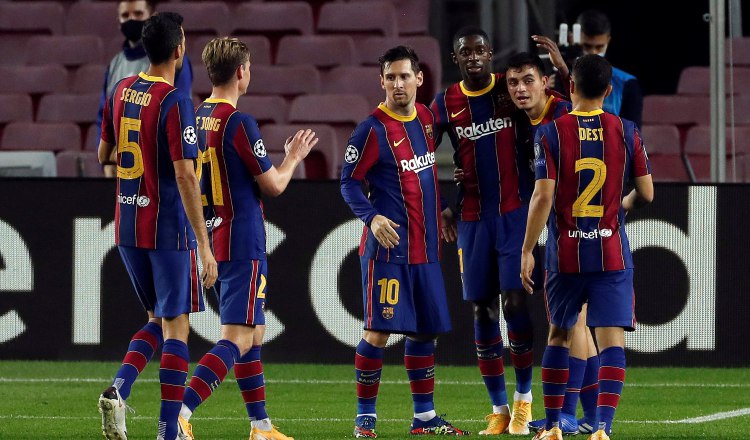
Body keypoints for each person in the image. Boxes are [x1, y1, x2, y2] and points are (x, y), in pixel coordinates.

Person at [174, 37, 318, 440]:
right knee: (237, 336)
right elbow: (272, 185)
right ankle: (180, 413)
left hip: (212, 238)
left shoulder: (195, 116)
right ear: (241, 72)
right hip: (242, 239)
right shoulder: (238, 122)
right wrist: (292, 157)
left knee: (253, 332)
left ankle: (261, 427)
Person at [96, 12, 217, 440]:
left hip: (127, 226)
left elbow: (103, 154)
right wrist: (204, 245)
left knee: (157, 318)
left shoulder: (121, 89)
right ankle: (168, 430)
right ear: (180, 51)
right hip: (167, 229)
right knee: (177, 328)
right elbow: (186, 175)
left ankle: (119, 388)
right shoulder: (176, 101)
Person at [521, 54, 653, 440]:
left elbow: (542, 198)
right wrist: (620, 207)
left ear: (571, 87)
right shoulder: (627, 130)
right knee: (611, 340)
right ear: (610, 91)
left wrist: (527, 249)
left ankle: (553, 426)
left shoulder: (549, 133)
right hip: (610, 252)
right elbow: (646, 192)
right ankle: (602, 428)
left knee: (560, 334)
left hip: (565, 255)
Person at [341, 45, 469, 438]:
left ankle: (425, 419)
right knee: (378, 332)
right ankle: (365, 419)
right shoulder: (371, 130)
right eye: (390, 77)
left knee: (425, 331)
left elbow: (425, 175)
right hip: (389, 252)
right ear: (381, 82)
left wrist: (444, 207)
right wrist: (372, 216)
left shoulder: (427, 119)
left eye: (404, 76)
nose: (398, 84)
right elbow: (348, 182)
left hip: (426, 249)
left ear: (419, 79)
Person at [430, 26, 538, 435]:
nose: (473, 57)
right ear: (455, 59)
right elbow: (420, 154)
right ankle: (498, 409)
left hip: (514, 215)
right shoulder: (446, 103)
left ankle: (524, 400)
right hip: (472, 219)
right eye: (465, 53)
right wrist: (442, 204)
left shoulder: (507, 91)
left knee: (514, 303)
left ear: (490, 54)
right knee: (483, 309)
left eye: (479, 51)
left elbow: (544, 109)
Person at [505, 51, 599, 436]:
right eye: (513, 83)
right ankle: (590, 417)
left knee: (569, 324)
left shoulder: (561, 117)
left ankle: (567, 416)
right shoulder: (532, 121)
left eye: (529, 80)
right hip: (582, 229)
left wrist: (528, 249)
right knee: (581, 327)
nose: (520, 89)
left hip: (577, 230)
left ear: (547, 82)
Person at [96, 0, 194, 169]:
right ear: (118, 20)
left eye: (138, 14)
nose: (131, 20)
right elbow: (104, 117)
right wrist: (107, 163)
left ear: (151, 17)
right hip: (120, 167)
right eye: (125, 15)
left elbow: (179, 113)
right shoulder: (114, 65)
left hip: (158, 165)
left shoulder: (172, 61)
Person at [576, 10, 642, 128]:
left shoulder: (627, 84)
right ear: (574, 39)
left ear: (608, 40)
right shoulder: (560, 78)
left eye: (599, 47)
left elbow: (632, 136)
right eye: (587, 46)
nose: (593, 53)